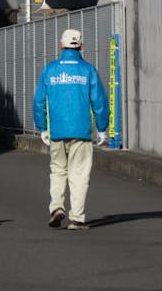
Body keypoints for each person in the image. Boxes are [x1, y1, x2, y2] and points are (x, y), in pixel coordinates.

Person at [32, 28, 109, 231]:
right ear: (81, 46)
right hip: (81, 131)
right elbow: (99, 101)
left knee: (58, 171)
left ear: (60, 46)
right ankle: (76, 218)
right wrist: (102, 128)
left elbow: (39, 101)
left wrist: (42, 127)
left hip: (56, 130)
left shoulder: (50, 70)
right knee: (79, 175)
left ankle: (57, 207)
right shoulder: (88, 70)